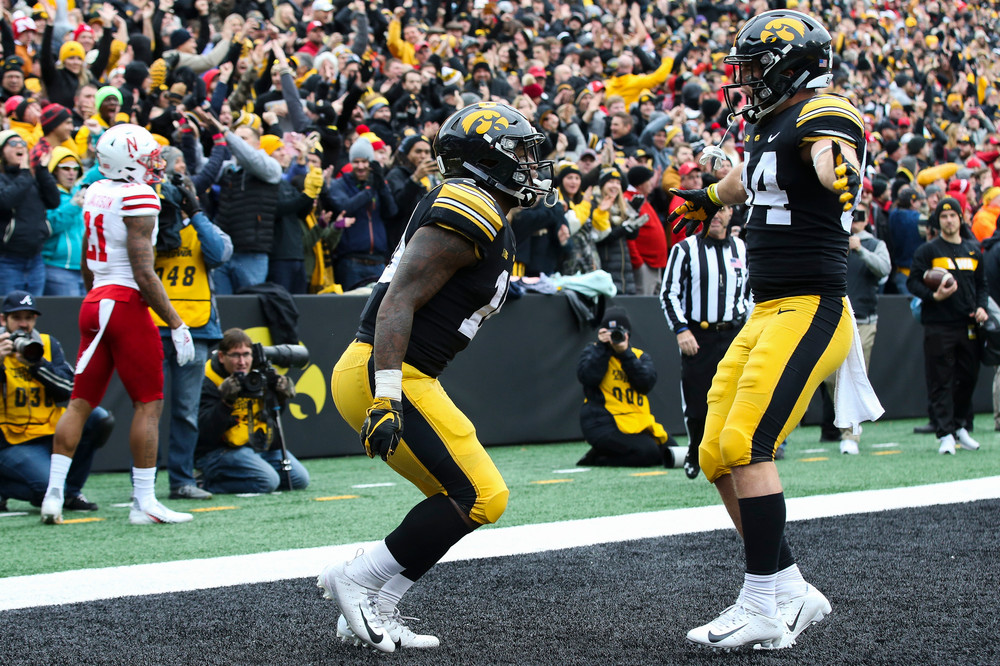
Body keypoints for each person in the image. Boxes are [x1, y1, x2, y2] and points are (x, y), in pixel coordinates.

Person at [666, 10, 871, 651]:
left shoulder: (824, 114)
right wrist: (705, 199)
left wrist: (841, 172)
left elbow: (836, 165)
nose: (746, 80)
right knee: (715, 450)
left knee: (749, 445)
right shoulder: (768, 122)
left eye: (755, 67)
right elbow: (742, 181)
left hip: (812, 305)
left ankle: (760, 604)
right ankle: (788, 586)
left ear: (789, 65)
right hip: (768, 310)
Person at [321, 102, 554, 653]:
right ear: (484, 160)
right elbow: (398, 298)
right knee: (479, 495)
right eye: (517, 154)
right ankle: (356, 579)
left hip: (406, 374)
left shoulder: (489, 212)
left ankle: (378, 596)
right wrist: (386, 395)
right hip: (388, 372)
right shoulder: (468, 203)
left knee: (462, 499)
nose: (529, 165)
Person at [40, 124, 197, 526]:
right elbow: (144, 273)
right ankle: (143, 502)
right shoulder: (138, 195)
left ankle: (53, 494)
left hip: (94, 300)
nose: (155, 164)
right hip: (124, 301)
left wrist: (95, 296)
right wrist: (176, 322)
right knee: (149, 402)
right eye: (147, 158)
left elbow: (88, 265)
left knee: (80, 400)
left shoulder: (96, 191)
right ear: (128, 164)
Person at [153, 173, 233, 500]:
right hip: (154, 327)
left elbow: (219, 253)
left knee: (186, 411)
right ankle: (142, 484)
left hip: (196, 329)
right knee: (149, 408)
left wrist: (196, 212)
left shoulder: (201, 229)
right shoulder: (147, 225)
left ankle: (182, 481)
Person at [0, 290, 114, 513]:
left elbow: (70, 391)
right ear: (4, 320)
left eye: (29, 317)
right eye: (17, 318)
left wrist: (37, 365)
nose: (24, 324)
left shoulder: (46, 344)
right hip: (11, 440)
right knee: (46, 489)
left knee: (98, 418)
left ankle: (70, 492)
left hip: (49, 431)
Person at [661, 206, 749, 480]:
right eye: (711, 210)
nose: (717, 216)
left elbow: (749, 291)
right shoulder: (685, 249)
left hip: (734, 333)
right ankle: (694, 450)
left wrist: (750, 329)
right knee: (698, 403)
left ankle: (733, 453)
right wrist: (681, 330)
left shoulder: (742, 249)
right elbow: (668, 293)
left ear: (731, 213)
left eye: (722, 209)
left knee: (737, 398)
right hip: (698, 335)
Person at [907, 197, 988, 455]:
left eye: (953, 215)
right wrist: (934, 297)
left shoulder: (973, 250)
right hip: (939, 325)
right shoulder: (928, 251)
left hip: (968, 325)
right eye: (943, 216)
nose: (949, 220)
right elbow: (913, 283)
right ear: (938, 220)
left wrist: (982, 307)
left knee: (968, 377)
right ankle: (945, 434)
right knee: (941, 379)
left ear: (961, 218)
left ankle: (960, 426)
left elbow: (981, 285)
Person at [195, 328, 308, 494]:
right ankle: (204, 482)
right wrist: (226, 402)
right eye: (235, 355)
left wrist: (280, 396)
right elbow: (204, 433)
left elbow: (270, 417)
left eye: (246, 354)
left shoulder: (259, 373)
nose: (242, 362)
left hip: (257, 446)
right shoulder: (208, 380)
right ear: (221, 356)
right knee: (267, 481)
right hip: (219, 452)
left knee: (299, 479)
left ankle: (252, 470)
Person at [819, 206, 891, 454]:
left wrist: (860, 249)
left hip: (864, 320)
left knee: (856, 375)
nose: (856, 221)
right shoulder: (832, 240)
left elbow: (884, 269)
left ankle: (851, 433)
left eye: (859, 216)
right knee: (829, 377)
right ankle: (847, 426)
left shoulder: (875, 244)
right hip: (834, 319)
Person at [577, 306, 681, 468]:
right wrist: (603, 348)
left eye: (618, 332)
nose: (615, 337)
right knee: (648, 453)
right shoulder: (593, 352)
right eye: (610, 333)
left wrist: (625, 353)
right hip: (603, 424)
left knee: (672, 453)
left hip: (637, 421)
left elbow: (645, 384)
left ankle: (608, 452)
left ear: (627, 335)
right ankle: (597, 458)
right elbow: (588, 378)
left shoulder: (639, 356)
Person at [0, 130, 61, 296]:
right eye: (12, 144)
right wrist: (26, 173)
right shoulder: (9, 178)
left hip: (35, 260)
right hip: (8, 261)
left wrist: (42, 170)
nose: (19, 146)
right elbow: (6, 200)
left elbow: (53, 201)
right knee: (9, 312)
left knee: (34, 312)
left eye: (23, 144)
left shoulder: (29, 178)